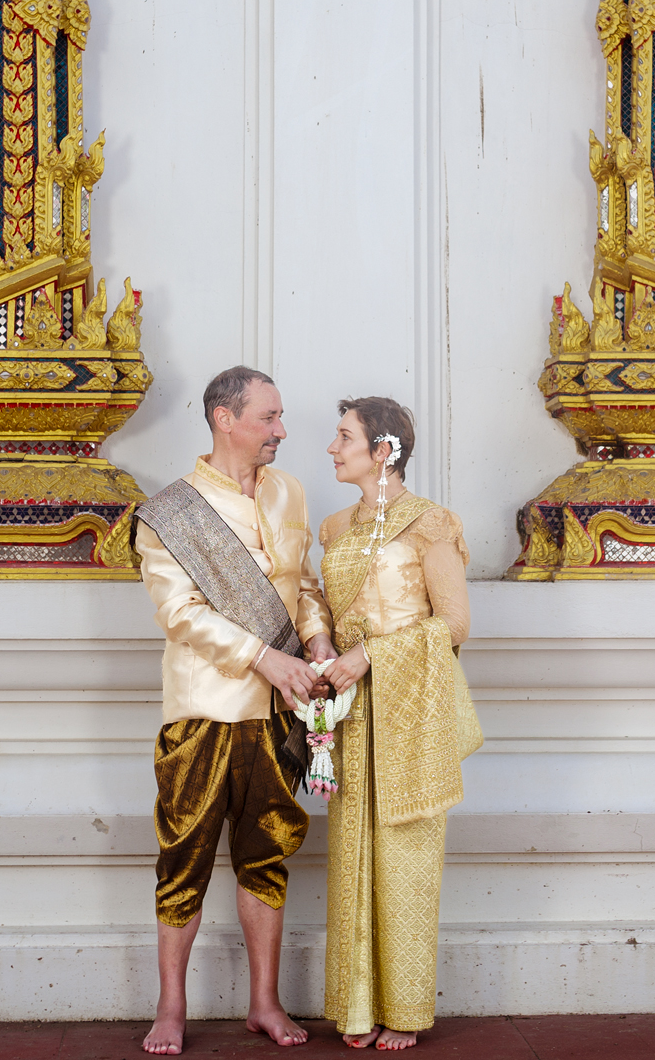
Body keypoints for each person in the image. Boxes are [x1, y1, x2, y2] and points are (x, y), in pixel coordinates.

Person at [134, 365, 337, 1055]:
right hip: (203, 714)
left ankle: (264, 1003)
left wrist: (315, 642)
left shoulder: (289, 493)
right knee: (183, 860)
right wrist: (267, 658)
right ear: (225, 418)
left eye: (280, 418)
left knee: (268, 856)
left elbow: (303, 584)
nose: (281, 431)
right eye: (268, 418)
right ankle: (170, 1008)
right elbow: (181, 614)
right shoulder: (171, 512)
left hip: (280, 714)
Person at [315, 396, 482, 1050]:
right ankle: (358, 1007)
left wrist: (372, 656)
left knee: (406, 858)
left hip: (409, 709)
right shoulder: (332, 529)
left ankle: (405, 1012)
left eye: (344, 436)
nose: (332, 447)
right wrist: (325, 653)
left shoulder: (429, 525)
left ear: (384, 450)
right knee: (352, 856)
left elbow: (457, 624)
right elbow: (327, 618)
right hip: (351, 714)